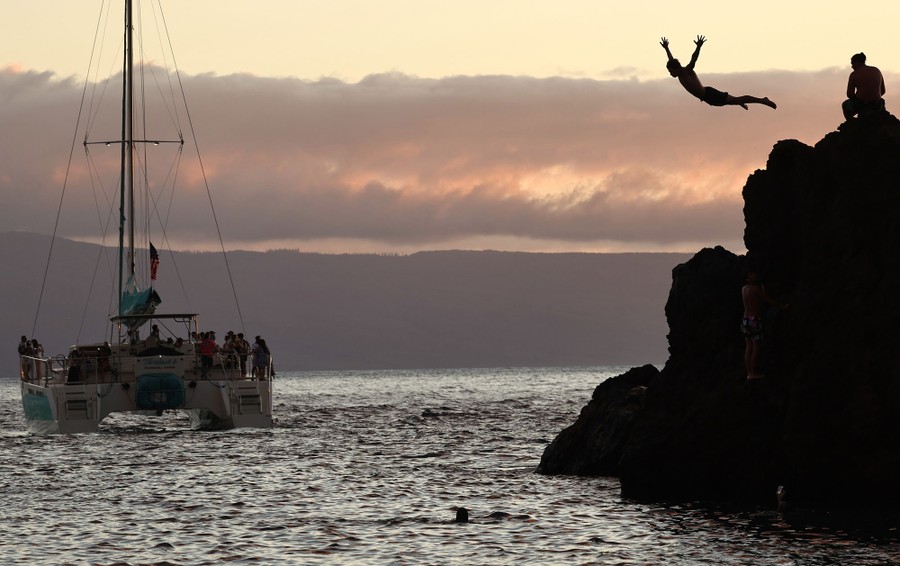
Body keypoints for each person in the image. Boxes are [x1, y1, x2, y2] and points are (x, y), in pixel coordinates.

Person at [660, 36, 777, 110]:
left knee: (736, 100)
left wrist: (698, 47)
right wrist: (666, 48)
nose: (670, 74)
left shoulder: (687, 71)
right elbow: (671, 59)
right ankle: (741, 102)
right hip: (707, 97)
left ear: (676, 68)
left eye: (671, 71)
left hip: (709, 94)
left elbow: (694, 59)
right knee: (735, 101)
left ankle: (762, 100)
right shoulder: (679, 73)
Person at [741, 272, 787, 380]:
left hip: (745, 320)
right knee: (755, 346)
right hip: (754, 320)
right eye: (752, 275)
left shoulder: (743, 289)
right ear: (748, 278)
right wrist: (781, 306)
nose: (755, 276)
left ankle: (749, 373)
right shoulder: (756, 289)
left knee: (748, 347)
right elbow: (767, 300)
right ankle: (752, 373)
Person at [842, 52, 885, 120]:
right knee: (882, 101)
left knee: (845, 105)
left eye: (852, 63)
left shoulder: (854, 74)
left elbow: (849, 94)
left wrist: (860, 97)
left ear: (857, 62)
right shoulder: (876, 70)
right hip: (877, 103)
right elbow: (883, 91)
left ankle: (851, 123)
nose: (852, 66)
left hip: (861, 104)